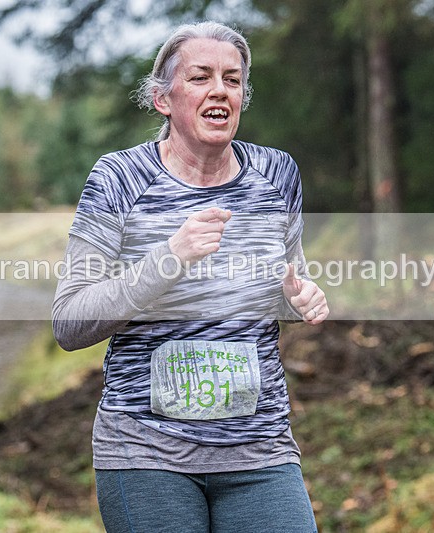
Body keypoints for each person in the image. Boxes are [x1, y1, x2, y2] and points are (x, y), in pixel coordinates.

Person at [52, 21, 328, 532]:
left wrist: (298, 300)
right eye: (200, 77)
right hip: (147, 452)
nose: (220, 90)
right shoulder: (120, 179)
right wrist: (169, 258)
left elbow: (287, 284)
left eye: (232, 79)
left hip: (259, 449)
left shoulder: (276, 175)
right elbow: (70, 321)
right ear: (163, 99)